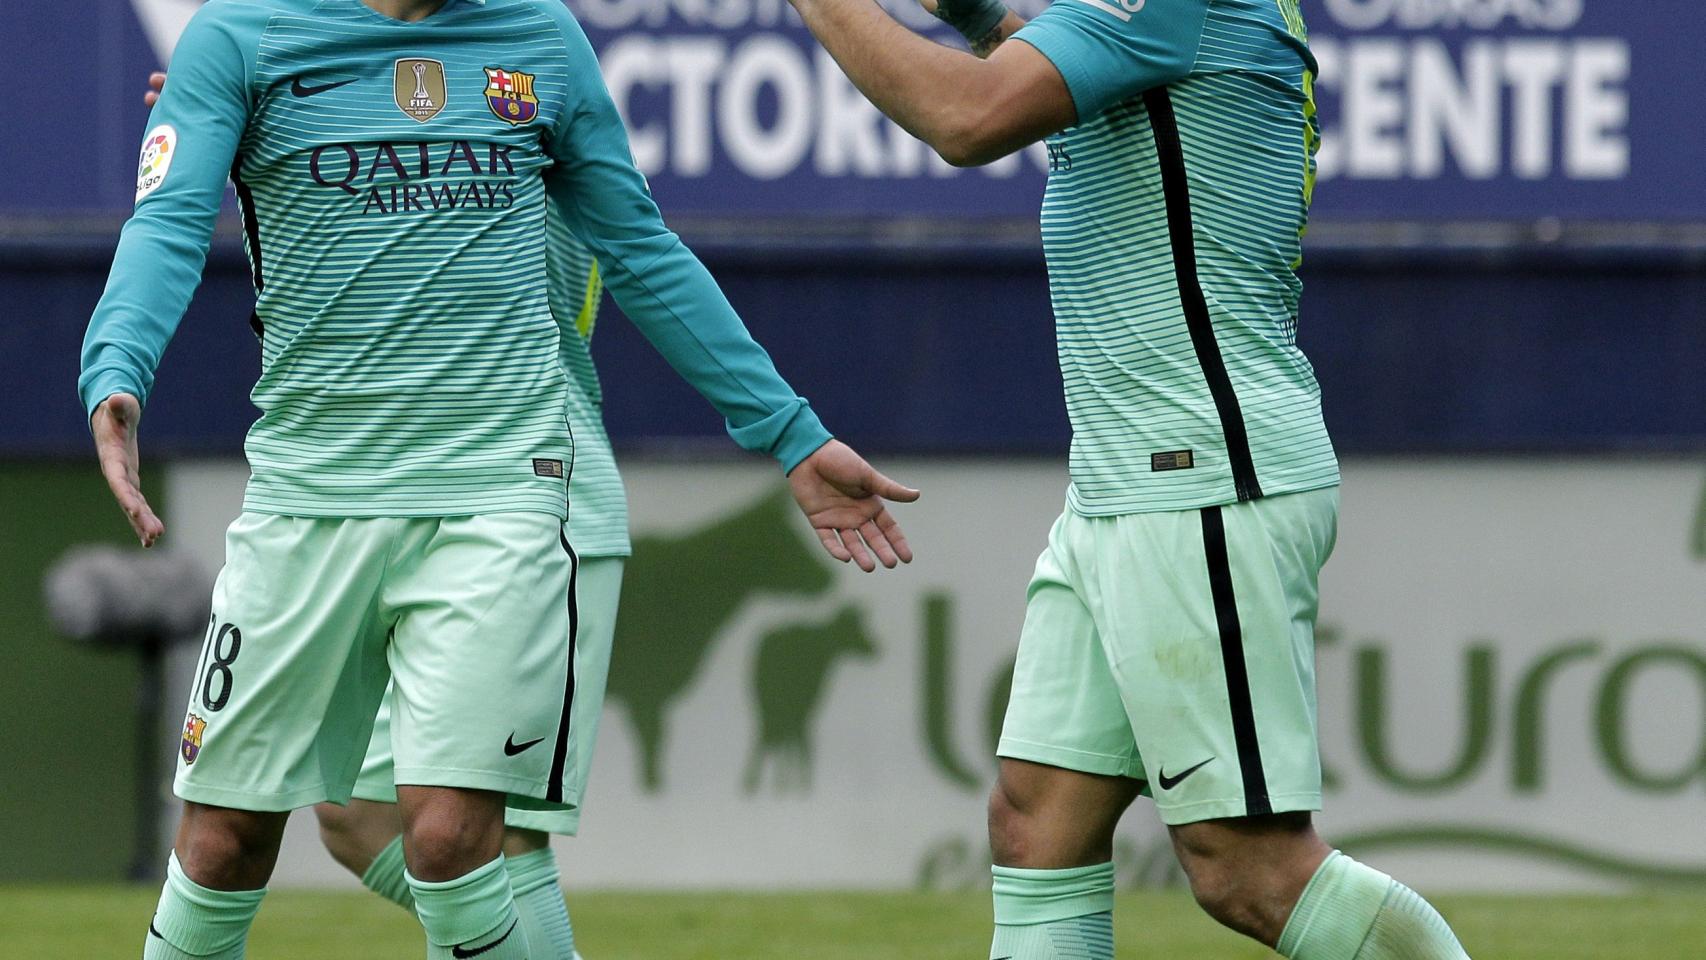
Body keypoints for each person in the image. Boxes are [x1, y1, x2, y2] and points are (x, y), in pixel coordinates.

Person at [86, 2, 916, 958]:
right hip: (307, 499)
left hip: (505, 488)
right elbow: (169, 219)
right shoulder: (241, 35)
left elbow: (642, 249)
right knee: (225, 841)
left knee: (452, 836)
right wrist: (117, 372)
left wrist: (791, 435)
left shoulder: (541, 39)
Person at [780, 0, 1474, 957]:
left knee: (1249, 870)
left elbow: (970, 118)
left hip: (1198, 479)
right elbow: (1072, 76)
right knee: (1036, 824)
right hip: (1124, 486)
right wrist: (983, 14)